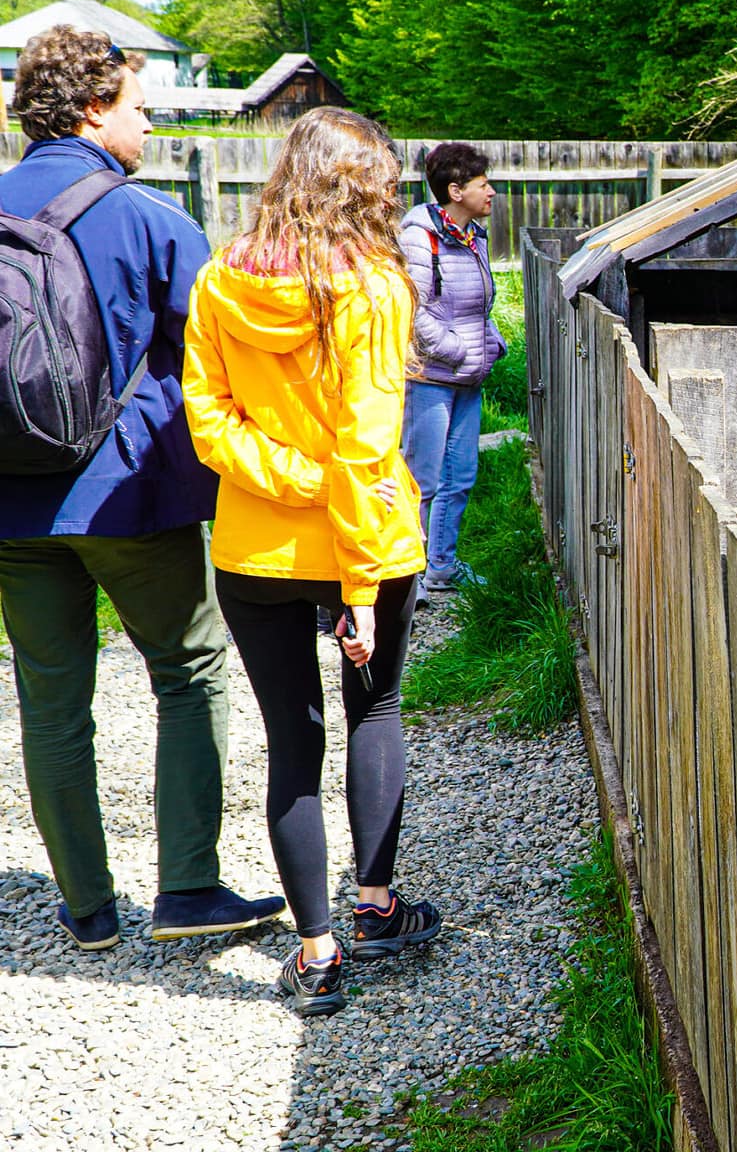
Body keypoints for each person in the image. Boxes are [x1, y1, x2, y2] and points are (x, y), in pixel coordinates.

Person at [0, 25, 284, 951]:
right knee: (189, 668)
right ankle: (189, 891)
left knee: (50, 702)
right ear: (92, 109)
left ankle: (86, 909)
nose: (149, 118)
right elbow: (225, 356)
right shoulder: (150, 218)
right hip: (129, 499)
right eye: (137, 103)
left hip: (9, 503)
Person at [182, 107, 439, 1017]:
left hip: (254, 548)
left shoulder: (221, 281)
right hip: (358, 545)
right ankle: (375, 909)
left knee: (293, 742)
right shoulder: (373, 287)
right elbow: (367, 452)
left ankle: (317, 953)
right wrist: (361, 586)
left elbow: (208, 420)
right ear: (364, 188)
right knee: (377, 711)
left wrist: (283, 480)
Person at [399, 141, 503, 603]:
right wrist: (459, 350)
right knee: (422, 481)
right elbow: (413, 311)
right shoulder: (419, 238)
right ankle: (407, 576)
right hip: (431, 380)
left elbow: (480, 302)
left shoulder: (474, 236)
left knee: (460, 477)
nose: (493, 192)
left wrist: (491, 341)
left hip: (467, 380)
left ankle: (442, 567)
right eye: (484, 185)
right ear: (456, 191)